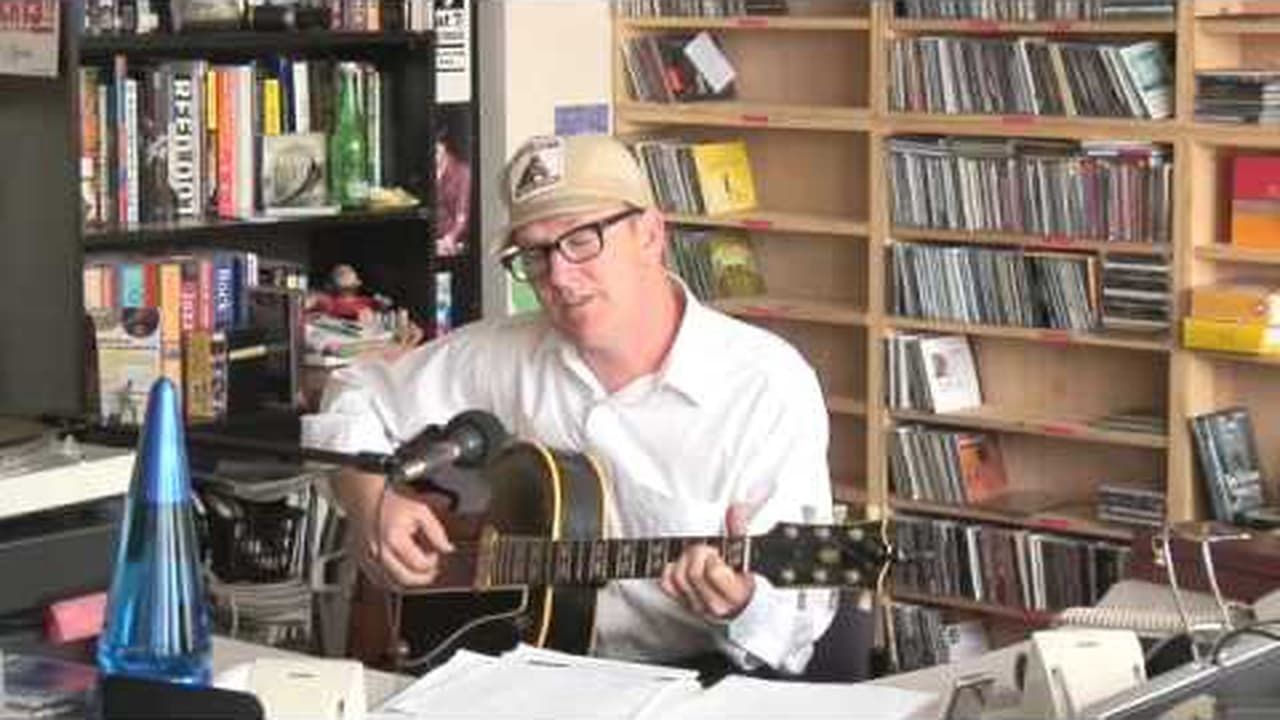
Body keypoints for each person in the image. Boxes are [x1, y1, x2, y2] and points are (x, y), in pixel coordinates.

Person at [302, 134, 835, 675]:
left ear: (650, 235)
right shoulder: (503, 352)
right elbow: (351, 394)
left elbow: (798, 623)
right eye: (534, 253)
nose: (557, 275)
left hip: (692, 687)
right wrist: (373, 506)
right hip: (514, 673)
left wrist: (743, 604)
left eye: (581, 240)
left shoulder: (765, 385)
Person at [434, 129, 472, 257]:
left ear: (444, 147)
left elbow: (462, 215)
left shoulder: (462, 172)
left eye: (435, 150)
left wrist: (450, 238)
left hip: (453, 240)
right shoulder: (425, 170)